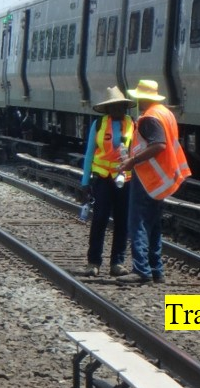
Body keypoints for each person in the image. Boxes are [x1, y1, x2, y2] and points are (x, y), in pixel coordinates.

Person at [117, 80, 191, 284]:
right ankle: (156, 270)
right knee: (153, 223)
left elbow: (159, 144)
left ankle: (141, 270)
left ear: (143, 97)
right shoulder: (165, 113)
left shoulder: (149, 117)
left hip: (148, 177)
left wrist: (132, 161)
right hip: (161, 176)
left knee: (138, 222)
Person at [79, 86, 136, 277]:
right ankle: (93, 262)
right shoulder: (99, 124)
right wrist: (85, 182)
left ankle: (117, 263)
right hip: (102, 178)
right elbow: (89, 154)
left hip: (125, 179)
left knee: (122, 220)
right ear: (107, 109)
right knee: (99, 219)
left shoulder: (133, 124)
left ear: (125, 107)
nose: (117, 110)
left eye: (120, 106)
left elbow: (136, 152)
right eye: (113, 106)